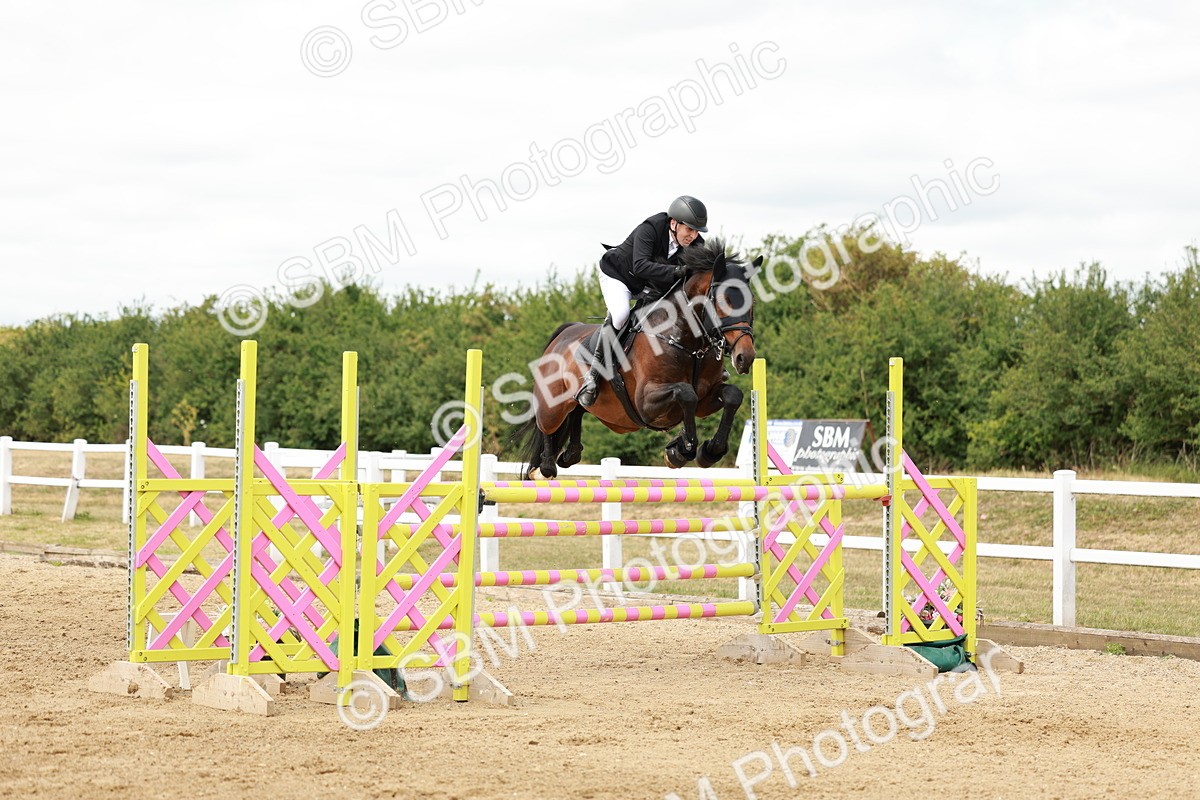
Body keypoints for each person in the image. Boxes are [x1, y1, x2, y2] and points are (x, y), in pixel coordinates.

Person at [575, 195, 708, 407]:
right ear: (674, 223)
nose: (693, 236)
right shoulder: (651, 228)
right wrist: (678, 270)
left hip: (649, 284)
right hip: (619, 276)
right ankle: (592, 377)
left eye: (697, 231)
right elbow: (640, 266)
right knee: (620, 316)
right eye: (689, 230)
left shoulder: (696, 243)